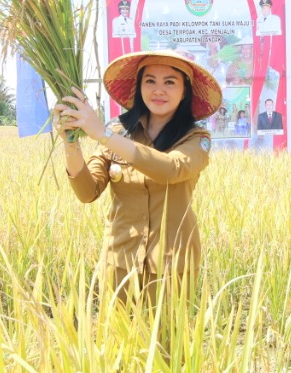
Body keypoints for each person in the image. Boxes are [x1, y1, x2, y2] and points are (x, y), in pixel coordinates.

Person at [54, 50, 221, 303]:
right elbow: (88, 192)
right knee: (118, 341)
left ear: (184, 91)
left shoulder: (196, 138)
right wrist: (70, 143)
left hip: (172, 266)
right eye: (150, 81)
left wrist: (103, 136)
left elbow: (171, 169)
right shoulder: (118, 130)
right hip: (119, 263)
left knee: (168, 341)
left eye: (170, 82)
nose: (159, 90)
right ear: (139, 86)